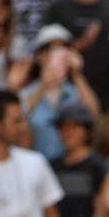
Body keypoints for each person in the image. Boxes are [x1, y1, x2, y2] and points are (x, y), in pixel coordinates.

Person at [19, 24, 100, 160]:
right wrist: (43, 87)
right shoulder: (26, 93)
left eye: (64, 48)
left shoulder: (74, 92)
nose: (57, 54)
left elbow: (93, 114)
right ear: (39, 55)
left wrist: (76, 74)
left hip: (68, 170)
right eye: (50, 48)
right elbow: (17, 121)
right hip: (37, 168)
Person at [51, 103, 108, 217]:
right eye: (63, 127)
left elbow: (101, 215)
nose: (68, 132)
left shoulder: (96, 166)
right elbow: (47, 210)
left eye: (74, 126)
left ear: (87, 131)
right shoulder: (52, 166)